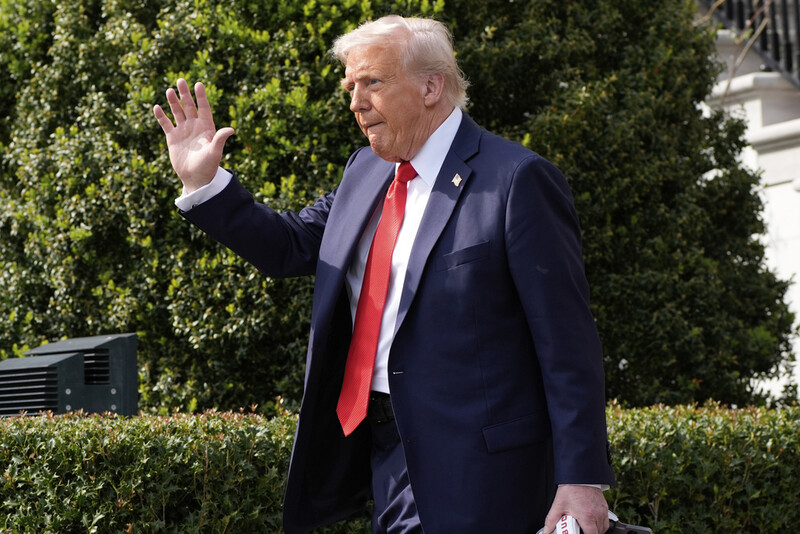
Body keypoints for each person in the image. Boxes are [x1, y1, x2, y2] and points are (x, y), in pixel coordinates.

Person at [153, 15, 615, 534]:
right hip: (385, 457)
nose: (355, 102)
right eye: (350, 87)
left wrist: (582, 479)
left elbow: (566, 343)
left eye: (372, 82)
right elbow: (290, 247)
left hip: (485, 472)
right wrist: (206, 184)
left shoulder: (517, 180)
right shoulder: (366, 171)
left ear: (431, 87)